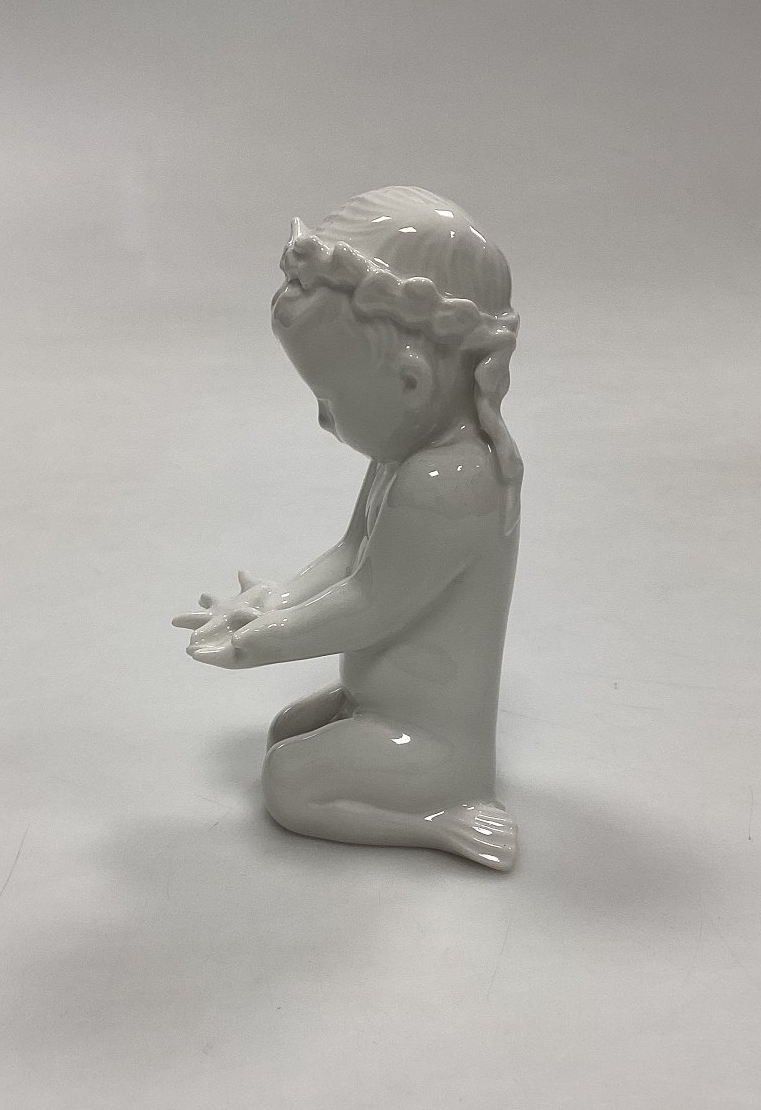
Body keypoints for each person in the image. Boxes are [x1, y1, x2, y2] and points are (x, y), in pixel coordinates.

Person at [173, 186, 523, 869]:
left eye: (328, 399)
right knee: (284, 731)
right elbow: (352, 553)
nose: (323, 421)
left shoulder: (447, 481)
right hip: (377, 703)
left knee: (286, 782)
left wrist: (262, 641)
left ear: (411, 381)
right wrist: (274, 599)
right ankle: (405, 769)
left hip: (431, 742)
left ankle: (442, 813)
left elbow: (371, 605)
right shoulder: (405, 456)